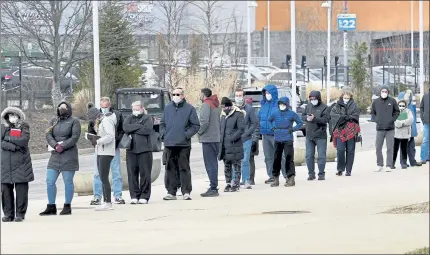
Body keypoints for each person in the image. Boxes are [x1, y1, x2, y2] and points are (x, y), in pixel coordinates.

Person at [40, 102, 81, 216]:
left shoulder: (74, 121)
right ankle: (51, 206)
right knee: (50, 181)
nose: (61, 109)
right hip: (55, 154)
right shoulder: (54, 120)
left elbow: (75, 137)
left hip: (69, 155)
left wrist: (62, 146)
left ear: (68, 109)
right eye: (60, 107)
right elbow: (48, 134)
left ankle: (67, 206)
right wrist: (55, 145)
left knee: (68, 182)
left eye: (64, 107)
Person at [160, 87, 200, 201]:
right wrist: (164, 135)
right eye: (174, 94)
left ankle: (186, 191)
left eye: (178, 94)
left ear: (182, 96)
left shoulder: (190, 109)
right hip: (169, 143)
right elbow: (162, 124)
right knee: (170, 168)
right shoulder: (167, 108)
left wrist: (185, 135)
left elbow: (195, 125)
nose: (175, 96)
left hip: (183, 144)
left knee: (184, 168)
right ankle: (171, 192)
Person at [87, 98, 125, 206]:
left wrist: (116, 142)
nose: (104, 108)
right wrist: (93, 140)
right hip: (99, 148)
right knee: (97, 174)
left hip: (112, 148)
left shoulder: (115, 115)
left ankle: (117, 196)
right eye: (102, 107)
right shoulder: (95, 116)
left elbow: (119, 131)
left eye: (106, 106)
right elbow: (91, 130)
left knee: (116, 172)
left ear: (109, 105)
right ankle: (97, 197)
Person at [1, 107, 34, 222]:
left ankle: (20, 214)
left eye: (14, 115)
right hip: (5, 164)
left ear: (19, 116)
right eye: (10, 116)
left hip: (21, 164)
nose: (12, 118)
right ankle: (8, 214)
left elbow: (23, 141)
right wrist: (14, 146)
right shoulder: (3, 128)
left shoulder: (24, 127)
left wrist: (8, 139)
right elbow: (1, 142)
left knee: (21, 190)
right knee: (5, 190)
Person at [123, 101, 154, 204]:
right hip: (131, 150)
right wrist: (139, 126)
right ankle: (134, 195)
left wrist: (133, 128)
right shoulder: (129, 118)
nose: (135, 111)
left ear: (141, 108)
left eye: (137, 108)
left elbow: (147, 130)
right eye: (133, 109)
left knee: (145, 174)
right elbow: (126, 128)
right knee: (132, 173)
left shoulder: (147, 118)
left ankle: (144, 196)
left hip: (144, 150)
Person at [268, 97, 303, 187]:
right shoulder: (275, 113)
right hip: (278, 138)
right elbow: (269, 120)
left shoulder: (291, 114)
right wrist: (273, 128)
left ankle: (291, 178)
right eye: (280, 104)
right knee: (276, 159)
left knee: (289, 159)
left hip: (288, 138)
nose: (281, 106)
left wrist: (292, 129)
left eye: (283, 104)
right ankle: (275, 178)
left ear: (287, 105)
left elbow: (300, 123)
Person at [258, 84, 287, 184]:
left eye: (269, 93)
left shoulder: (279, 104)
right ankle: (272, 176)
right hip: (265, 134)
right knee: (268, 157)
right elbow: (259, 118)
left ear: (273, 93)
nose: (267, 95)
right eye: (265, 93)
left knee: (281, 155)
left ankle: (287, 175)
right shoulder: (263, 104)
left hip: (276, 134)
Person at [329, 91, 360, 176]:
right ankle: (340, 169)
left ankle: (348, 170)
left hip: (351, 130)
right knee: (340, 150)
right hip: (340, 130)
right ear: (342, 97)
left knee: (350, 150)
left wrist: (349, 117)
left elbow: (356, 115)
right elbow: (333, 115)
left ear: (350, 98)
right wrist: (343, 118)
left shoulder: (354, 106)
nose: (346, 99)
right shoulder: (337, 106)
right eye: (345, 97)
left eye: (348, 98)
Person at [198, 88, 221, 197]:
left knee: (210, 163)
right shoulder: (216, 104)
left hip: (208, 138)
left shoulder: (206, 105)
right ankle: (214, 186)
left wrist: (199, 132)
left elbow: (204, 121)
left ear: (203, 95)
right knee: (214, 164)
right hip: (216, 137)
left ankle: (213, 187)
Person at [371, 86, 400, 172]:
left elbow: (397, 112)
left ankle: (388, 165)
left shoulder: (392, 101)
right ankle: (379, 164)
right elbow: (372, 113)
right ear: (380, 92)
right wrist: (377, 120)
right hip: (380, 128)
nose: (384, 93)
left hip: (390, 128)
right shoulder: (375, 102)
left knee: (390, 148)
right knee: (378, 147)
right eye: (383, 91)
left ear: (388, 92)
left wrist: (392, 120)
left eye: (386, 91)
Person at [218, 97, 245, 192]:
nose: (223, 108)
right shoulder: (222, 116)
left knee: (236, 165)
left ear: (229, 106)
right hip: (224, 145)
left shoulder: (238, 114)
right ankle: (228, 183)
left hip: (235, 144)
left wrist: (231, 137)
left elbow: (241, 129)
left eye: (224, 106)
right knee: (227, 165)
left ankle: (236, 183)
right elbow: (220, 129)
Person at [303, 91, 330, 180]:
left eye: (314, 99)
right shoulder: (308, 106)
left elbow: (325, 120)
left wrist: (314, 119)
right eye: (311, 99)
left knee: (321, 156)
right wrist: (306, 118)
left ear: (318, 98)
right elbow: (302, 116)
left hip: (320, 135)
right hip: (309, 135)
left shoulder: (325, 107)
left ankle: (321, 174)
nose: (313, 100)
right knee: (309, 155)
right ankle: (311, 174)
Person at [234, 89, 257, 189]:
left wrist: (248, 133)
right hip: (234, 139)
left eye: (240, 95)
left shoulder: (249, 109)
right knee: (234, 160)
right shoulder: (232, 109)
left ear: (243, 97)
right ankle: (234, 180)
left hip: (246, 139)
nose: (238, 97)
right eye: (237, 95)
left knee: (245, 160)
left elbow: (254, 123)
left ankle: (246, 180)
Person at [398, 90, 422, 167]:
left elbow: (414, 118)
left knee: (412, 147)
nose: (409, 98)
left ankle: (412, 161)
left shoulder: (412, 106)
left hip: (411, 130)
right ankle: (403, 163)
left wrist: (414, 130)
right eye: (408, 96)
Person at [392, 100, 414, 169]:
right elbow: (394, 121)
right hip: (396, 134)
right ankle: (392, 163)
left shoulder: (408, 111)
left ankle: (403, 163)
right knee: (395, 149)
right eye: (400, 105)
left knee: (404, 149)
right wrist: (403, 123)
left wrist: (401, 123)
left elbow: (410, 120)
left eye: (403, 105)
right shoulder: (394, 111)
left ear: (405, 106)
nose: (401, 107)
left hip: (405, 134)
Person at [246, 97, 259, 185]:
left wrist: (254, 141)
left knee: (250, 160)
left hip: (251, 140)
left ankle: (251, 178)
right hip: (245, 139)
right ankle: (246, 178)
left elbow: (256, 128)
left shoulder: (252, 114)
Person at [420, 86, 429, 164]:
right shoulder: (425, 97)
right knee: (425, 140)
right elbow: (421, 108)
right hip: (427, 122)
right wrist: (423, 119)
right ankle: (423, 158)